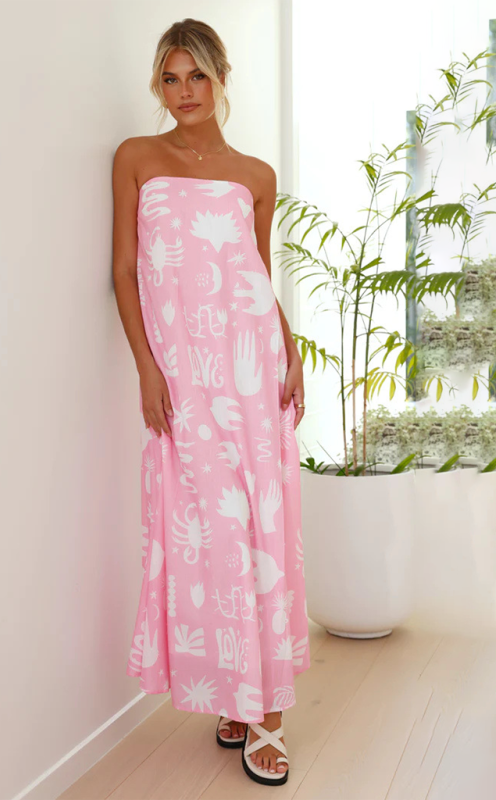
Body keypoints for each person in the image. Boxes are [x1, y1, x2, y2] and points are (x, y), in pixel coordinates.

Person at [112, 18, 310, 787]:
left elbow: (256, 275)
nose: (184, 91)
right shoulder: (137, 158)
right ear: (157, 86)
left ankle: (268, 716)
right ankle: (237, 687)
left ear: (222, 78)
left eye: (197, 75)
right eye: (170, 78)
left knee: (260, 529)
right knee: (209, 535)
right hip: (183, 377)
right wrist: (146, 368)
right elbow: (124, 271)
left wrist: (290, 349)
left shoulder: (255, 175)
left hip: (253, 372)